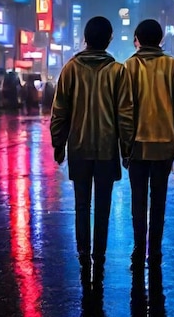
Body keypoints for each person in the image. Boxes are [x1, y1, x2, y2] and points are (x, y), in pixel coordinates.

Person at [50, 16, 134, 281]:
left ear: (85, 38)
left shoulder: (71, 69)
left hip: (79, 147)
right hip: (107, 150)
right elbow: (126, 115)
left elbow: (59, 111)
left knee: (82, 204)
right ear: (109, 39)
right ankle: (100, 253)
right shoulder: (118, 71)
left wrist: (59, 143)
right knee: (103, 205)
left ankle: (83, 253)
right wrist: (126, 147)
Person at [124, 19, 174, 269]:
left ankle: (139, 248)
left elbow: (125, 109)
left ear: (137, 39)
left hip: (137, 145)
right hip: (164, 144)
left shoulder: (129, 66)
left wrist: (124, 143)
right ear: (160, 39)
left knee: (138, 199)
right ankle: (156, 249)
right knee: (159, 198)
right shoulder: (171, 65)